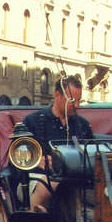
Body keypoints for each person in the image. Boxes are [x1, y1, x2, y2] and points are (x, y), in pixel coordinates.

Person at [22, 75, 93, 212]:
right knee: (51, 183)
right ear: (57, 95)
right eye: (72, 101)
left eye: (79, 101)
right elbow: (17, 157)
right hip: (38, 179)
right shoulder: (32, 121)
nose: (77, 106)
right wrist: (36, 161)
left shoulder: (82, 125)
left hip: (75, 179)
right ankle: (29, 221)